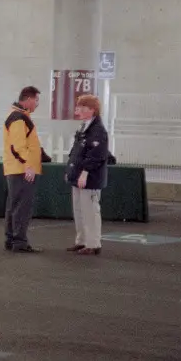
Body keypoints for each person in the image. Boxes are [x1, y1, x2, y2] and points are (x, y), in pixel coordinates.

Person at [66, 94, 110, 256]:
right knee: (79, 210)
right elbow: (76, 152)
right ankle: (82, 240)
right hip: (77, 175)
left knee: (90, 211)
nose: (78, 110)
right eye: (78, 107)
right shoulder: (84, 127)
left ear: (92, 110)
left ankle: (93, 243)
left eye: (83, 108)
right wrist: (71, 172)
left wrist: (85, 173)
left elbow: (96, 155)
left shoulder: (98, 131)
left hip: (89, 177)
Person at [2, 86, 43, 253]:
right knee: (22, 207)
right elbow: (18, 146)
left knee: (14, 205)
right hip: (21, 169)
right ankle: (19, 241)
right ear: (28, 99)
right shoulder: (19, 118)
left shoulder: (17, 116)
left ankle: (11, 239)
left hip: (16, 168)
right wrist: (29, 165)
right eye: (37, 100)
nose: (37, 104)